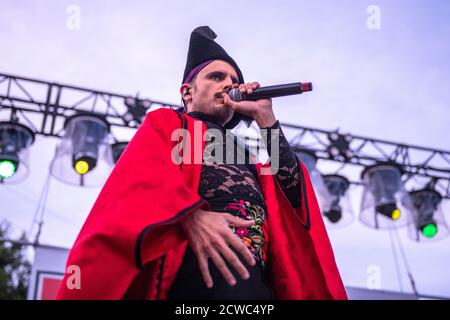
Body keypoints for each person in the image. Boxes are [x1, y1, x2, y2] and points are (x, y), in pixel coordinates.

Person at [56, 26, 347, 300]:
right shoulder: (169, 123)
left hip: (254, 284)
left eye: (233, 80)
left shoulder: (251, 158)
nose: (228, 84)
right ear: (187, 92)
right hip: (193, 275)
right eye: (217, 77)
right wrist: (191, 216)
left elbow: (292, 194)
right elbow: (139, 180)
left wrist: (266, 120)